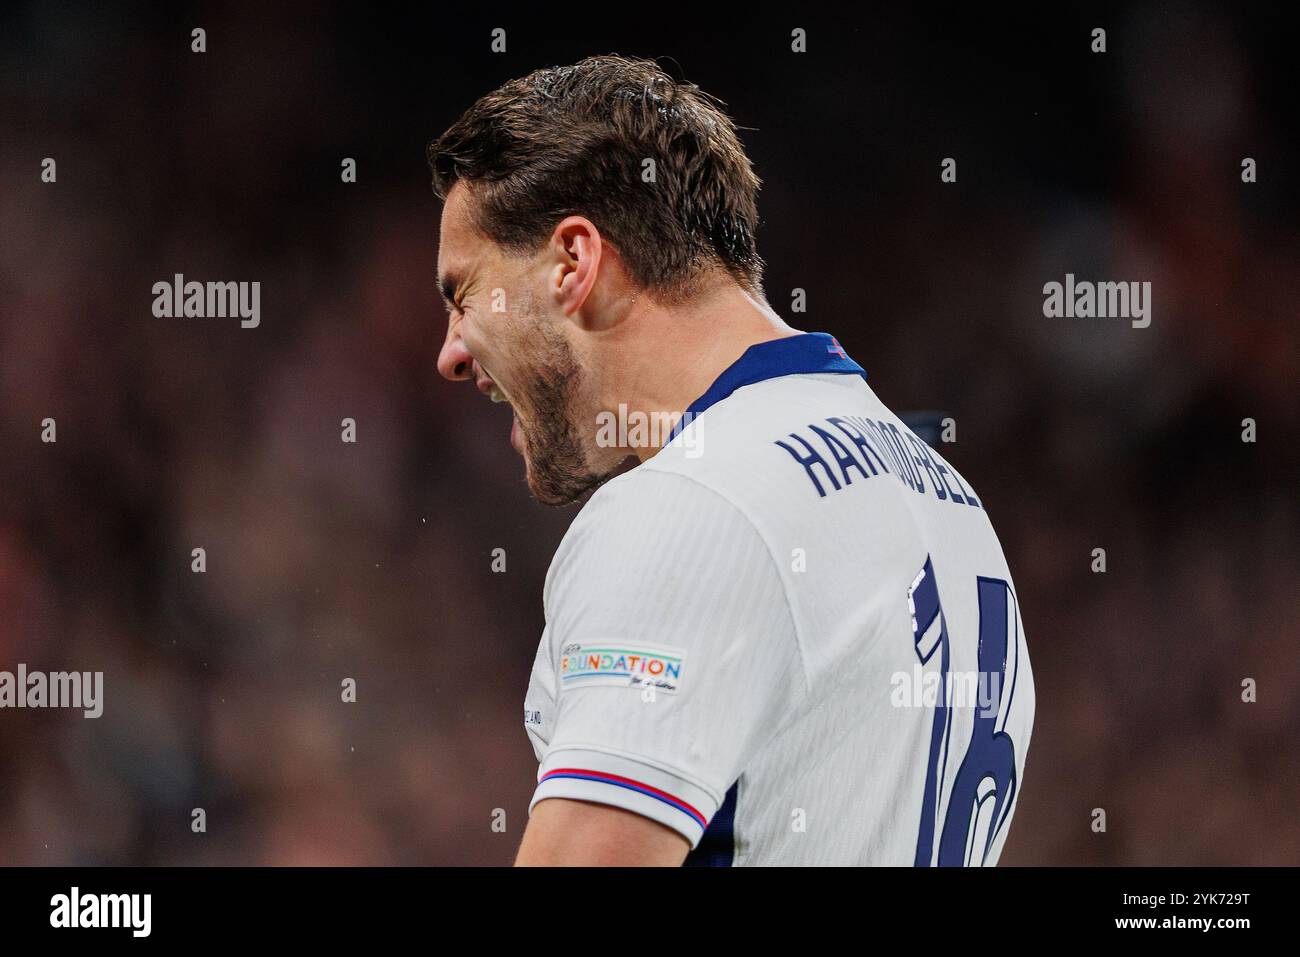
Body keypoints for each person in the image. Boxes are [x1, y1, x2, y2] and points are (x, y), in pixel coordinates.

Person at [429, 55, 1034, 866]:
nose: (452, 354)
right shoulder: (945, 497)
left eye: (463, 294)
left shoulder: (691, 505)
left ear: (573, 263)